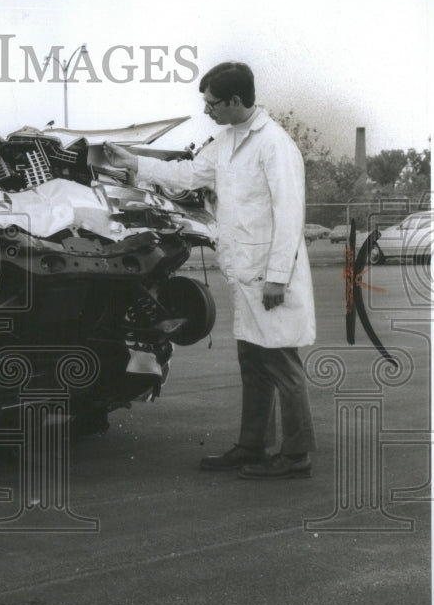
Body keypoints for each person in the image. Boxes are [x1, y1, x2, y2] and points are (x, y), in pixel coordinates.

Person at [105, 62, 316, 479]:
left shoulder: (275, 145)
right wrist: (134, 161)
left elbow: (290, 214)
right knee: (253, 362)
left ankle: (296, 456)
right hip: (245, 273)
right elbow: (186, 175)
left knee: (281, 363)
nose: (207, 111)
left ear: (236, 101)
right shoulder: (227, 141)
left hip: (271, 276)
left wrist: (277, 277)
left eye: (212, 103)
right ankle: (252, 446)